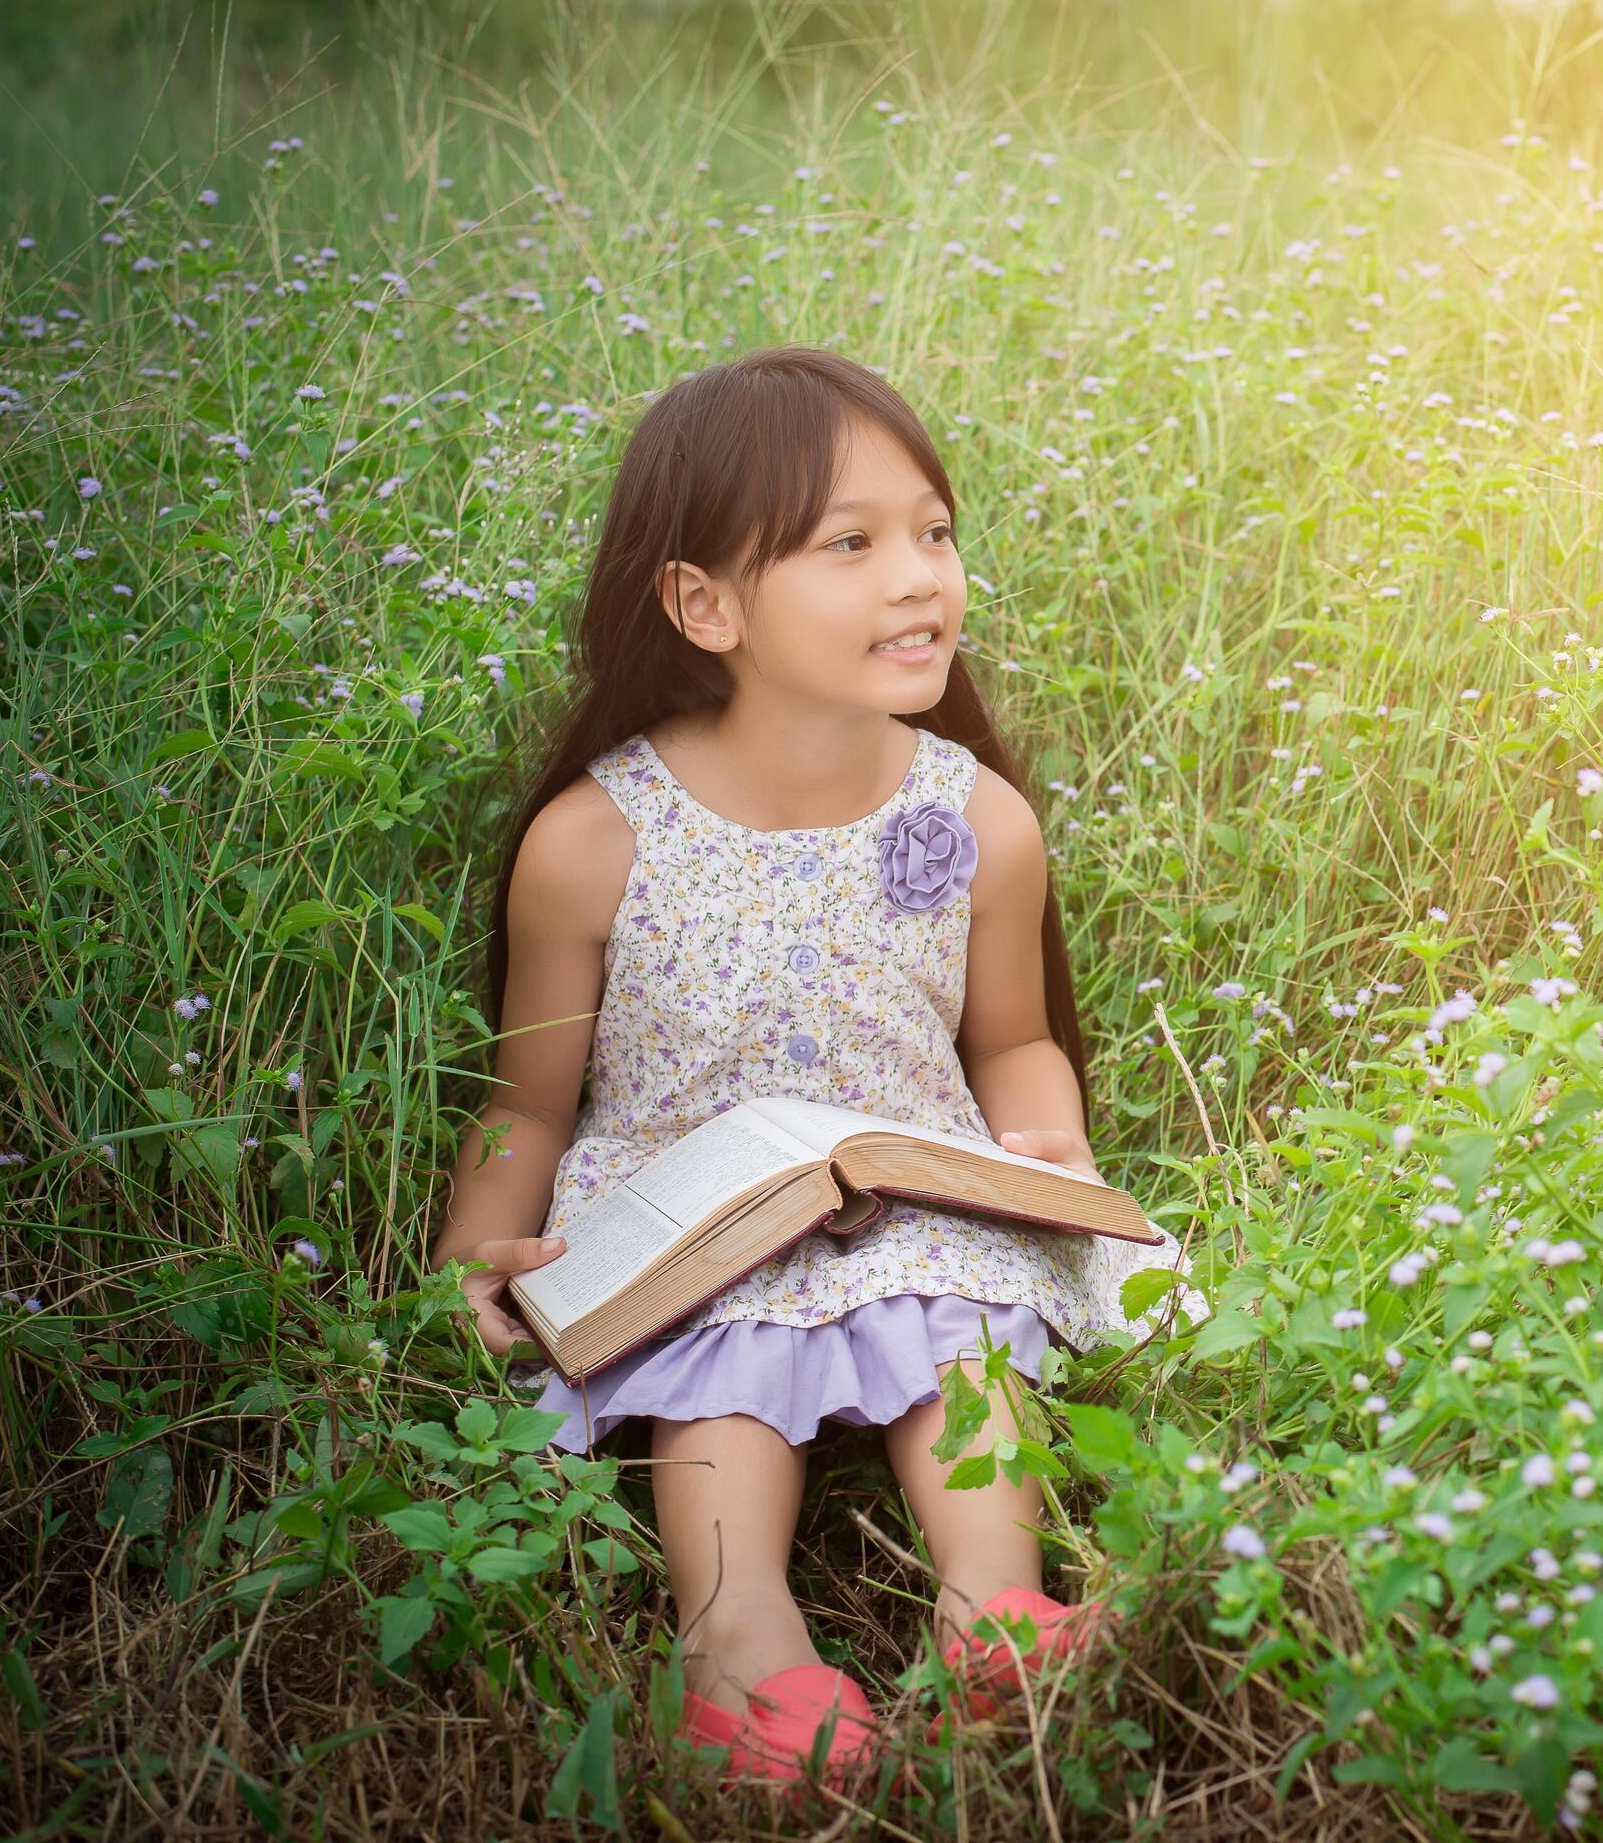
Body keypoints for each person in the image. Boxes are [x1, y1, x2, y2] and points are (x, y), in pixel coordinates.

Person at [423, 345, 1200, 1788]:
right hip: (686, 1205)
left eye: (934, 532)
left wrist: (1053, 1153)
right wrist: (475, 1248)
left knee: (968, 1318)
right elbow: (528, 1097)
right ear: (702, 602)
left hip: (906, 1180)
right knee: (714, 1356)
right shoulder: (599, 841)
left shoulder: (975, 819)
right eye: (850, 544)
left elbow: (1012, 1040)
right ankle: (739, 1645)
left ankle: (994, 1606)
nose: (919, 578)